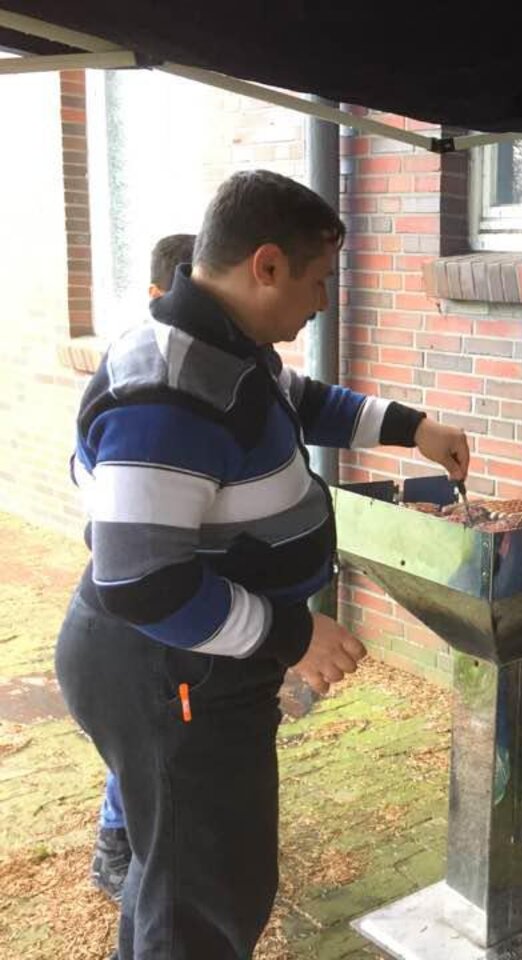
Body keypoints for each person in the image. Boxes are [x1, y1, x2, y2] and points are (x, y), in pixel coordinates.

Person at [56, 170, 469, 959]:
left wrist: (413, 428)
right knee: (206, 895)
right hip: (165, 669)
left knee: (178, 872)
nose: (323, 302)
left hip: (199, 664)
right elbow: (142, 583)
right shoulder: (165, 389)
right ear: (267, 265)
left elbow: (301, 400)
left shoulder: (228, 346)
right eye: (318, 281)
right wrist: (293, 635)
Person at [89, 231, 197, 903]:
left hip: (168, 582)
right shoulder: (140, 372)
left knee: (166, 726)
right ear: (160, 295)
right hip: (138, 591)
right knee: (146, 731)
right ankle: (114, 841)